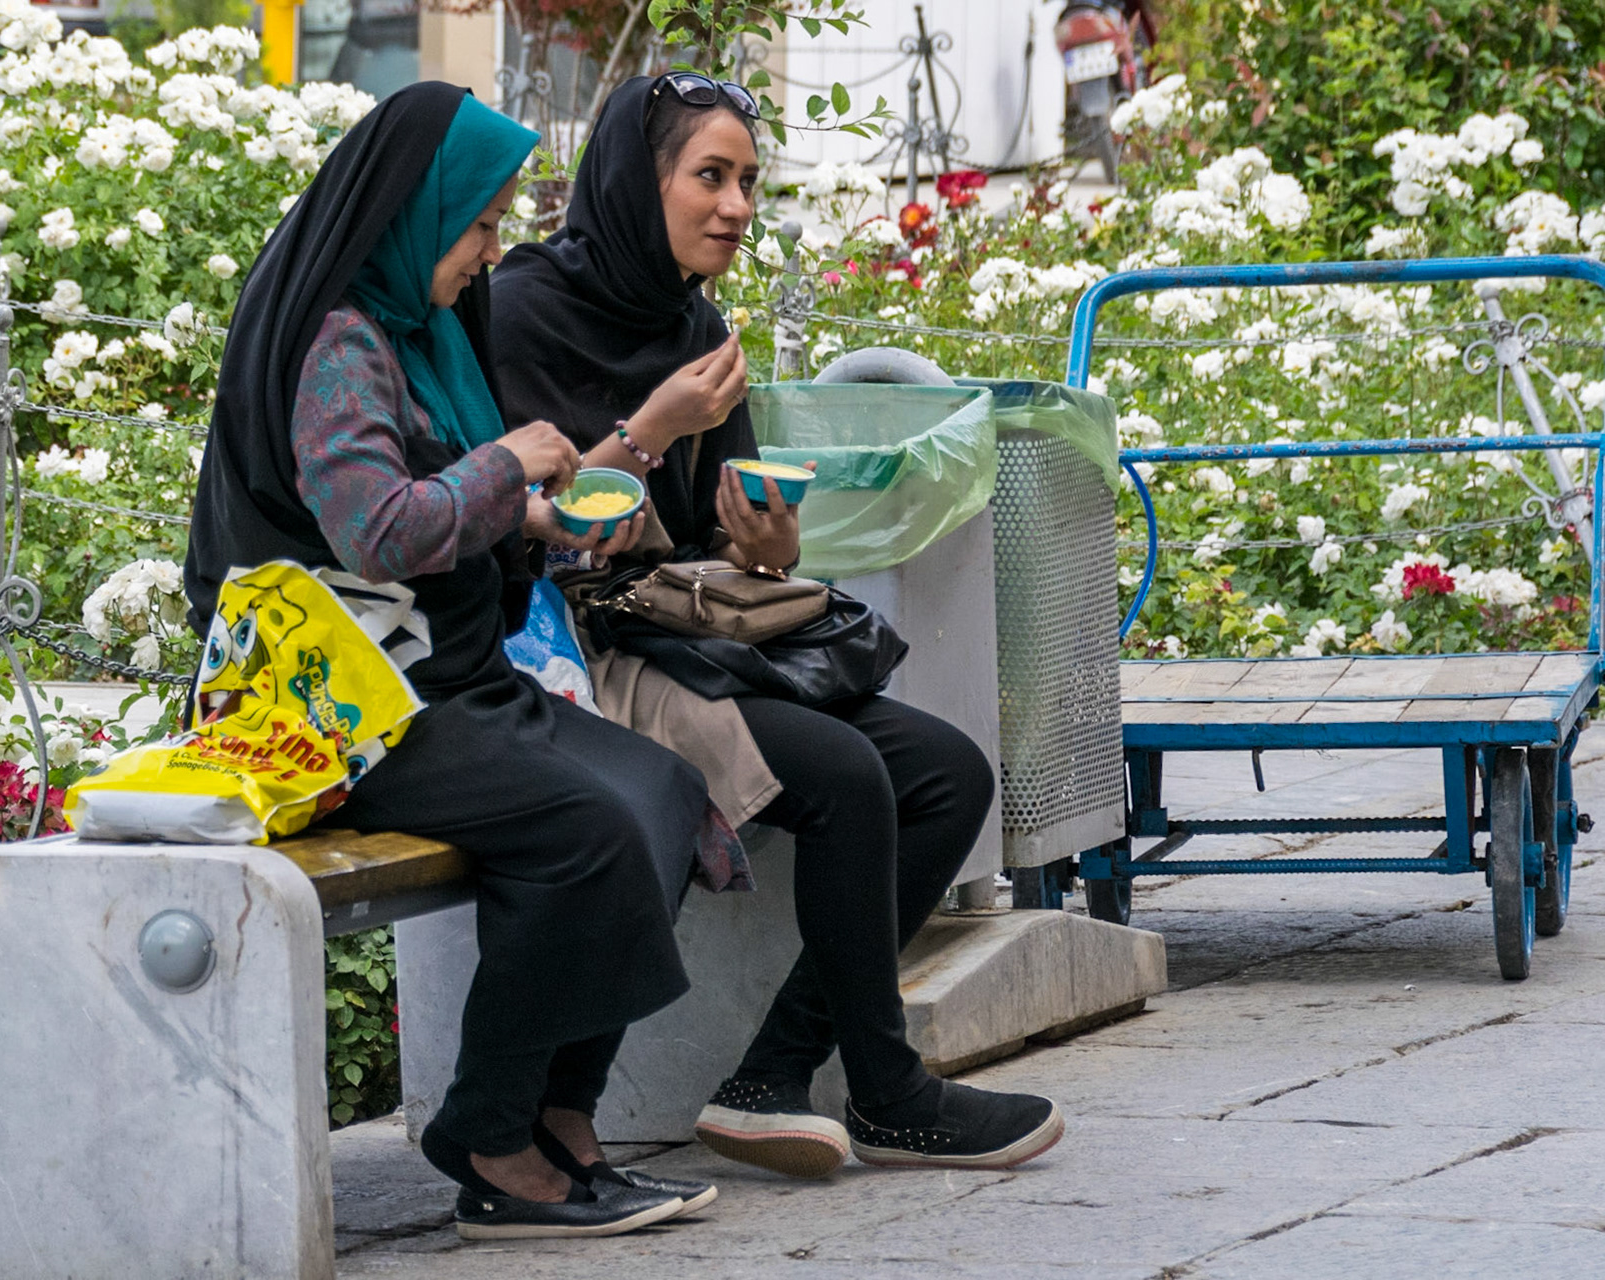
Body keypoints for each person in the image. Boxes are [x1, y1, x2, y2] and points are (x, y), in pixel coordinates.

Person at [491, 73, 1065, 1178]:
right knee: (849, 774)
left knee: (947, 770)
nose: (737, 204)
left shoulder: (694, 324)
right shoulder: (522, 312)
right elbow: (525, 532)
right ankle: (888, 1089)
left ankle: (774, 1073)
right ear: (634, 179)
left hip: (689, 634)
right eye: (710, 176)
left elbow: (725, 551)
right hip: (573, 656)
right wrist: (652, 431)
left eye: (749, 179)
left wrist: (767, 548)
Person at [182, 81, 718, 1239]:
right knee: (586, 831)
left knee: (668, 790)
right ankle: (487, 1136)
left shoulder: (413, 331)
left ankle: (559, 1116)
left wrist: (532, 522)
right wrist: (511, 465)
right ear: (412, 214)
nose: (487, 253)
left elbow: (429, 507)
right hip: (348, 711)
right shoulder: (337, 343)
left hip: (444, 678)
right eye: (476, 225)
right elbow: (374, 527)